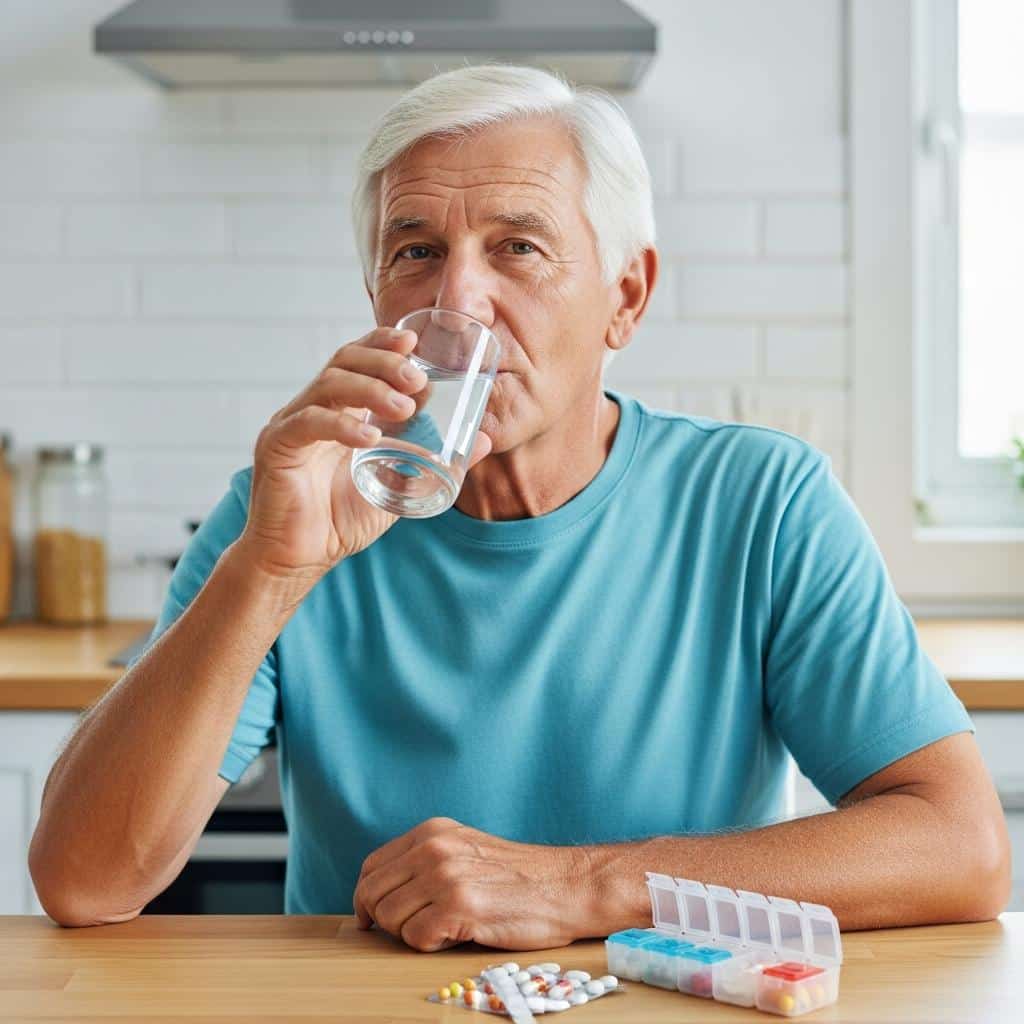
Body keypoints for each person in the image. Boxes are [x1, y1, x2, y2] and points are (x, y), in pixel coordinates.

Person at [30, 64, 1009, 951]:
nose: (461, 300)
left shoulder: (760, 503)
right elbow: (83, 880)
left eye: (518, 247)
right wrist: (268, 569)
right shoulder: (283, 509)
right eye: (415, 250)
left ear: (625, 297)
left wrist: (592, 884)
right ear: (376, 292)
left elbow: (960, 846)